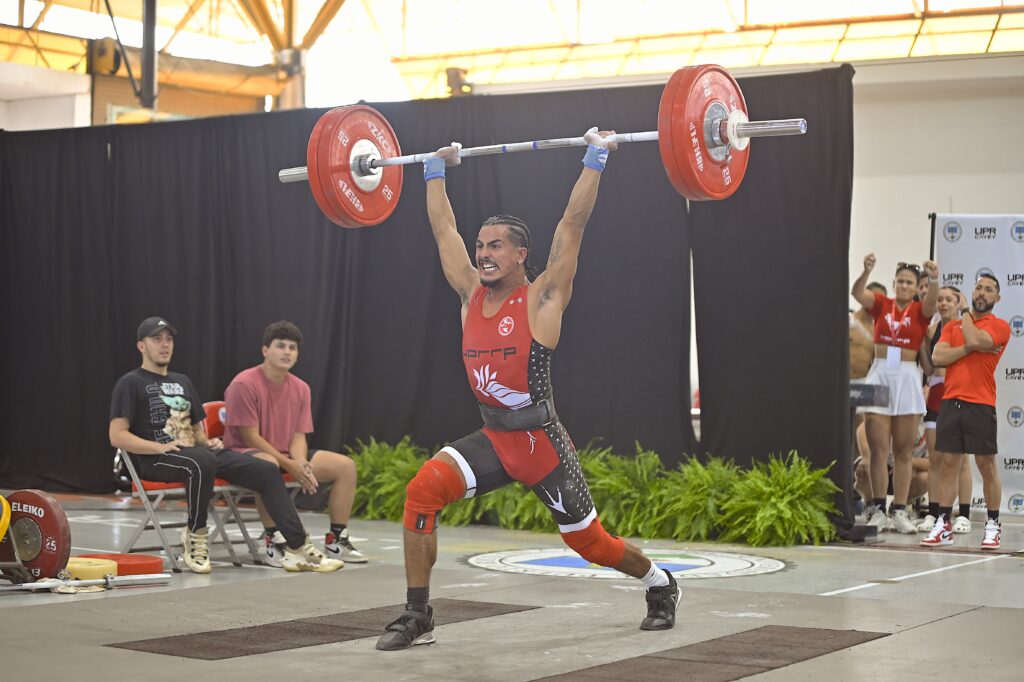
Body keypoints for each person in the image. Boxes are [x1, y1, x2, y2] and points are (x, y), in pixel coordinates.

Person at [375, 130, 679, 652]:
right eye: (481, 245)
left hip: (541, 445)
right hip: (494, 439)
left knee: (590, 543)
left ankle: (659, 583)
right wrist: (433, 169)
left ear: (520, 254)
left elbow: (572, 225)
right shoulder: (470, 295)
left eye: (495, 246)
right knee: (422, 491)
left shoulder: (543, 298)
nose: (483, 253)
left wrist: (596, 155)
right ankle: (418, 613)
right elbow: (442, 226)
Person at [109, 317, 343, 573]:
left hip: (195, 453)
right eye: (157, 339)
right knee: (202, 461)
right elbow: (117, 435)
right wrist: (158, 447)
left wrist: (206, 441)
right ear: (141, 346)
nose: (164, 345)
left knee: (265, 470)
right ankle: (196, 536)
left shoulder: (182, 381)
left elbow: (197, 431)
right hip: (155, 458)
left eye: (168, 339)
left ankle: (297, 547)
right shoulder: (130, 382)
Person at [223, 321, 366, 565]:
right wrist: (290, 465)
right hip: (245, 454)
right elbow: (251, 438)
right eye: (280, 346)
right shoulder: (243, 384)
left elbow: (299, 435)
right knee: (267, 466)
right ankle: (274, 540)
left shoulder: (301, 388)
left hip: (285, 454)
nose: (287, 352)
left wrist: (300, 462)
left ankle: (336, 539)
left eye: (292, 347)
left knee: (346, 466)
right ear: (265, 350)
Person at [922, 274, 1010, 549]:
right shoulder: (952, 326)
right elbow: (938, 357)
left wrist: (966, 318)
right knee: (949, 464)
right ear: (972, 291)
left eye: (989, 290)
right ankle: (943, 523)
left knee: (986, 465)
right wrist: (971, 346)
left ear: (997, 298)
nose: (982, 293)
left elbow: (973, 337)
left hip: (981, 403)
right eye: (979, 287)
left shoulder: (1000, 326)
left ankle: (993, 523)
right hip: (951, 401)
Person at [852, 256, 938, 533]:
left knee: (903, 450)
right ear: (893, 284)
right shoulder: (881, 304)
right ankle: (877, 508)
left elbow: (932, 301)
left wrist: (934, 278)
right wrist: (866, 272)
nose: (903, 285)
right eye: (899, 281)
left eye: (908, 282)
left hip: (907, 376)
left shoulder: (920, 310)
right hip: (879, 374)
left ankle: (899, 509)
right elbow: (856, 293)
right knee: (878, 449)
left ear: (915, 288)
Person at [917, 286, 974, 534]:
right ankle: (934, 513)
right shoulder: (931, 330)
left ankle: (964, 514)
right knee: (935, 459)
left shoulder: (966, 328)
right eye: (939, 300)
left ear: (957, 302)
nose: (942, 304)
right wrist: (919, 343)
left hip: (960, 393)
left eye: (948, 300)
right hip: (938, 394)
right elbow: (930, 368)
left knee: (961, 460)